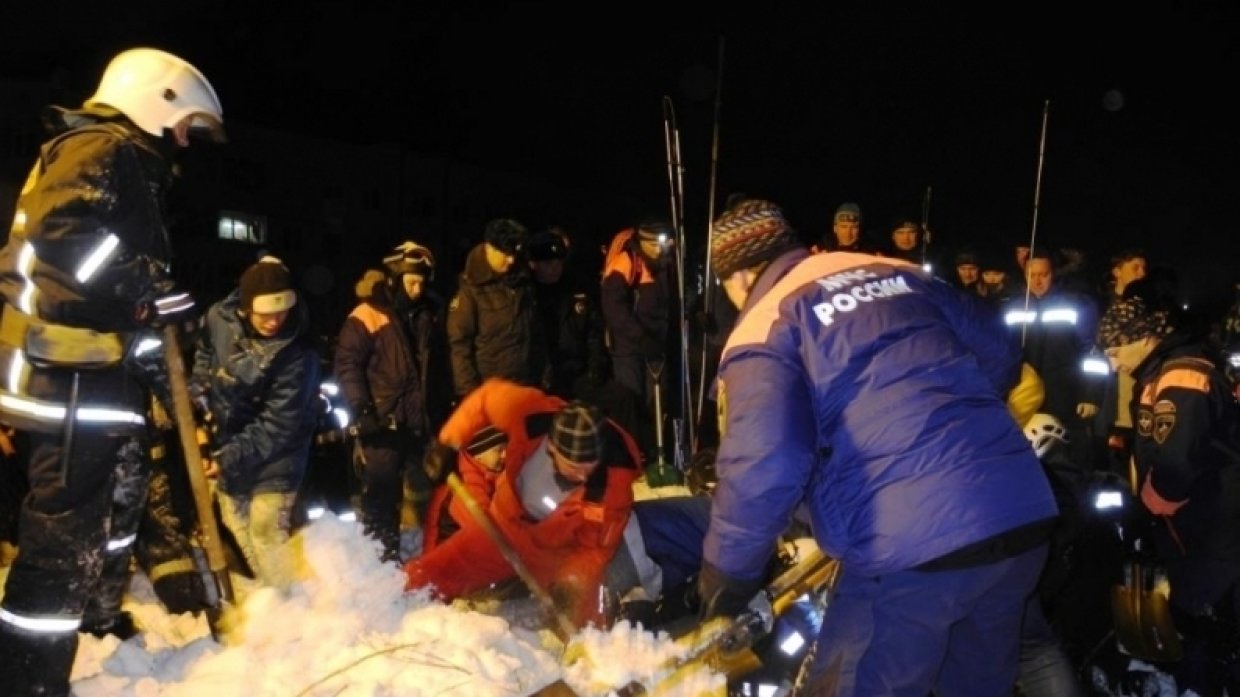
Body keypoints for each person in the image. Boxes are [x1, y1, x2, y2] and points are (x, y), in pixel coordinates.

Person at [696, 199, 1058, 695]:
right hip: (1016, 519)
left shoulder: (765, 323)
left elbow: (766, 463)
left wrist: (726, 578)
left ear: (737, 277)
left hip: (909, 548)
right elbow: (999, 354)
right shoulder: (895, 271)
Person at [0, 47, 224, 695]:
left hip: (89, 377)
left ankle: (84, 628)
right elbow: (63, 235)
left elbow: (125, 310)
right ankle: (26, 681)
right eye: (187, 123)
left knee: (91, 525)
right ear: (159, 100)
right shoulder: (104, 148)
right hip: (67, 378)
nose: (187, 140)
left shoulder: (119, 159)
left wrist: (172, 377)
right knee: (59, 540)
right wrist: (144, 285)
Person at [404, 378, 641, 629]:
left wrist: (571, 583)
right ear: (552, 446)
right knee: (432, 573)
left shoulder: (611, 486)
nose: (583, 477)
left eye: (590, 467)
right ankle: (390, 604)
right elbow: (485, 400)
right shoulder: (529, 413)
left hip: (556, 556)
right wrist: (447, 444)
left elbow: (593, 550)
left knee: (584, 626)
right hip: (502, 530)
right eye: (574, 468)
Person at [1103, 281, 1240, 696]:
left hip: (1212, 517)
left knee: (1208, 609)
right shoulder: (1160, 372)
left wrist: (1148, 504)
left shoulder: (1181, 376)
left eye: (1115, 351)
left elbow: (1178, 458)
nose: (1112, 364)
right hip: (1195, 520)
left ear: (1143, 338)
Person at [192, 256, 320, 591]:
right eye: (265, 312)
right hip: (228, 438)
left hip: (280, 450)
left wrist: (224, 459)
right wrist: (200, 394)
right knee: (235, 518)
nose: (275, 321)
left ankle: (292, 604)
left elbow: (278, 423)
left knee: (265, 529)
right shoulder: (219, 318)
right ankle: (273, 593)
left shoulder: (298, 352)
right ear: (247, 306)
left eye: (281, 311)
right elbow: (205, 352)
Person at [334, 259, 431, 562]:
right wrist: (361, 410)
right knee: (381, 496)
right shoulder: (367, 315)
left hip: (416, 420)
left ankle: (417, 559)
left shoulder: (424, 313)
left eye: (422, 283)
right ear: (395, 280)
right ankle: (380, 564)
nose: (418, 289)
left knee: (421, 494)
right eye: (411, 282)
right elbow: (348, 365)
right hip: (381, 421)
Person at [446, 218, 544, 400]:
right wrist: (471, 395)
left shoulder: (523, 283)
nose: (511, 259)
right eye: (506, 253)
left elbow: (535, 334)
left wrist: (543, 378)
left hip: (525, 387)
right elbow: (460, 346)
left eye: (515, 253)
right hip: (489, 393)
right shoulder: (470, 290)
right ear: (489, 248)